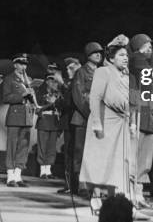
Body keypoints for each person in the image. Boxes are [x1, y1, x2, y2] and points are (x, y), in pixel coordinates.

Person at [79, 35, 133, 215]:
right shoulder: (103, 71)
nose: (125, 58)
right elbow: (95, 97)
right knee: (99, 163)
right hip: (104, 122)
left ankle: (113, 202)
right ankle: (95, 199)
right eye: (121, 55)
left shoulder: (124, 75)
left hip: (119, 124)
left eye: (126, 55)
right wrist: (96, 123)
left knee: (115, 165)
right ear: (111, 58)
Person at [129, 33, 153, 209]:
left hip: (149, 118)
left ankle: (138, 194)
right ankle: (131, 194)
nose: (150, 48)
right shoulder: (135, 62)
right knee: (133, 159)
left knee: (145, 162)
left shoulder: (148, 66)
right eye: (147, 45)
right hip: (138, 115)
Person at [71, 41, 103, 196]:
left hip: (97, 119)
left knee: (93, 153)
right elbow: (78, 96)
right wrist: (91, 114)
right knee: (80, 151)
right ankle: (81, 184)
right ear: (88, 55)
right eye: (95, 52)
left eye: (100, 52)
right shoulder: (81, 72)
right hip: (83, 118)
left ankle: (92, 183)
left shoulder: (102, 72)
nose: (99, 54)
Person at [2, 53, 35, 187]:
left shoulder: (28, 80)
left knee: (23, 146)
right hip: (15, 116)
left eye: (25, 64)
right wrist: (22, 95)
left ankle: (18, 175)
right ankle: (10, 176)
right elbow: (6, 97)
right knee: (12, 146)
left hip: (27, 116)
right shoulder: (9, 78)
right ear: (15, 65)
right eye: (21, 64)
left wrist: (32, 96)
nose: (23, 66)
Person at [56, 56, 81, 194]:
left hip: (75, 121)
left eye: (71, 67)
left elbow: (68, 102)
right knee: (69, 155)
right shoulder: (69, 83)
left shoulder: (73, 83)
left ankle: (74, 185)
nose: (68, 70)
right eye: (67, 68)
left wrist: (62, 85)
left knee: (74, 154)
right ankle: (70, 185)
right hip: (68, 122)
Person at [35, 73, 62, 179]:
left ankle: (48, 170)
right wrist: (51, 104)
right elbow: (38, 108)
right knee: (42, 147)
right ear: (46, 81)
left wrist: (56, 102)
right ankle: (42, 171)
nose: (53, 83)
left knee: (51, 147)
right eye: (51, 80)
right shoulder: (40, 93)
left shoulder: (58, 94)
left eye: (55, 81)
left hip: (54, 121)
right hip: (44, 121)